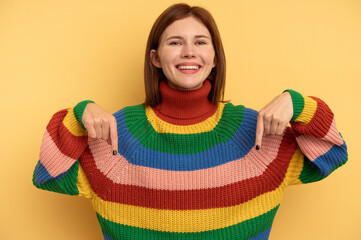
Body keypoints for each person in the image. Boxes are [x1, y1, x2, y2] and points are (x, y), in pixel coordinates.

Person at [32, 3, 348, 240]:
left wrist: (299, 104)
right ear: (155, 58)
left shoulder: (254, 133)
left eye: (200, 42)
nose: (188, 52)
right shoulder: (120, 135)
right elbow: (48, 175)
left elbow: (333, 154)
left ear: (214, 57)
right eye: (175, 42)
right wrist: (76, 116)